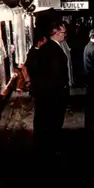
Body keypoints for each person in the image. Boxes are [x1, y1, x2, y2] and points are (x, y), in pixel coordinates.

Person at [35, 21, 69, 158]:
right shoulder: (55, 50)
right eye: (63, 32)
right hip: (55, 94)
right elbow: (57, 74)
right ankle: (52, 150)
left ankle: (45, 147)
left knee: (45, 121)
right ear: (56, 32)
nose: (65, 35)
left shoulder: (44, 49)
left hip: (45, 94)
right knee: (54, 122)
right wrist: (63, 88)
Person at [23, 28, 48, 96]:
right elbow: (25, 67)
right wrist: (28, 81)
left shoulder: (36, 52)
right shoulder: (34, 53)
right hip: (36, 84)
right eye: (44, 43)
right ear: (40, 42)